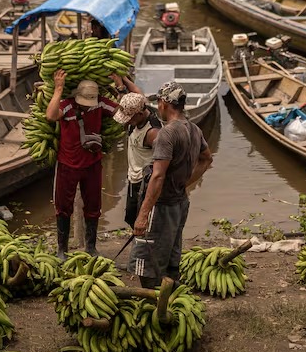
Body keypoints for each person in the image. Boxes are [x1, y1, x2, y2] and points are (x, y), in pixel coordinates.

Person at [130, 82, 213, 289]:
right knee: (171, 251)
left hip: (162, 204)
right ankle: (169, 293)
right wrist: (184, 183)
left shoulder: (167, 133)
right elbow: (206, 159)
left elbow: (158, 176)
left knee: (147, 258)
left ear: (165, 103)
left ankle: (152, 301)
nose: (157, 106)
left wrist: (142, 214)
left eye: (158, 102)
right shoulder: (194, 129)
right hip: (180, 202)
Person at [45, 69, 128, 260]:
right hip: (67, 163)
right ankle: (61, 248)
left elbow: (122, 114)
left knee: (93, 205)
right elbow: (50, 116)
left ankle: (91, 246)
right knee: (62, 206)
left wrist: (121, 88)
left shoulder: (100, 104)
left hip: (92, 163)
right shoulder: (67, 106)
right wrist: (58, 89)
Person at [113, 91, 162, 230]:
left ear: (140, 113)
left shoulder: (153, 133)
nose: (127, 120)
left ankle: (144, 248)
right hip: (133, 179)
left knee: (144, 222)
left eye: (129, 117)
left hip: (145, 183)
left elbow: (163, 163)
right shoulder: (135, 121)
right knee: (131, 217)